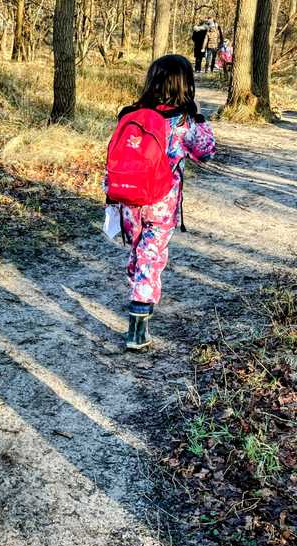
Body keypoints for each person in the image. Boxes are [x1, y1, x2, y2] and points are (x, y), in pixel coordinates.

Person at [104, 55, 216, 350]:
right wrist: (201, 117)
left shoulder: (130, 114)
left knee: (139, 252)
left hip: (127, 198)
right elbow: (206, 152)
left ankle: (140, 289)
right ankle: (138, 323)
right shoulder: (183, 121)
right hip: (161, 202)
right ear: (186, 84)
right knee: (151, 256)